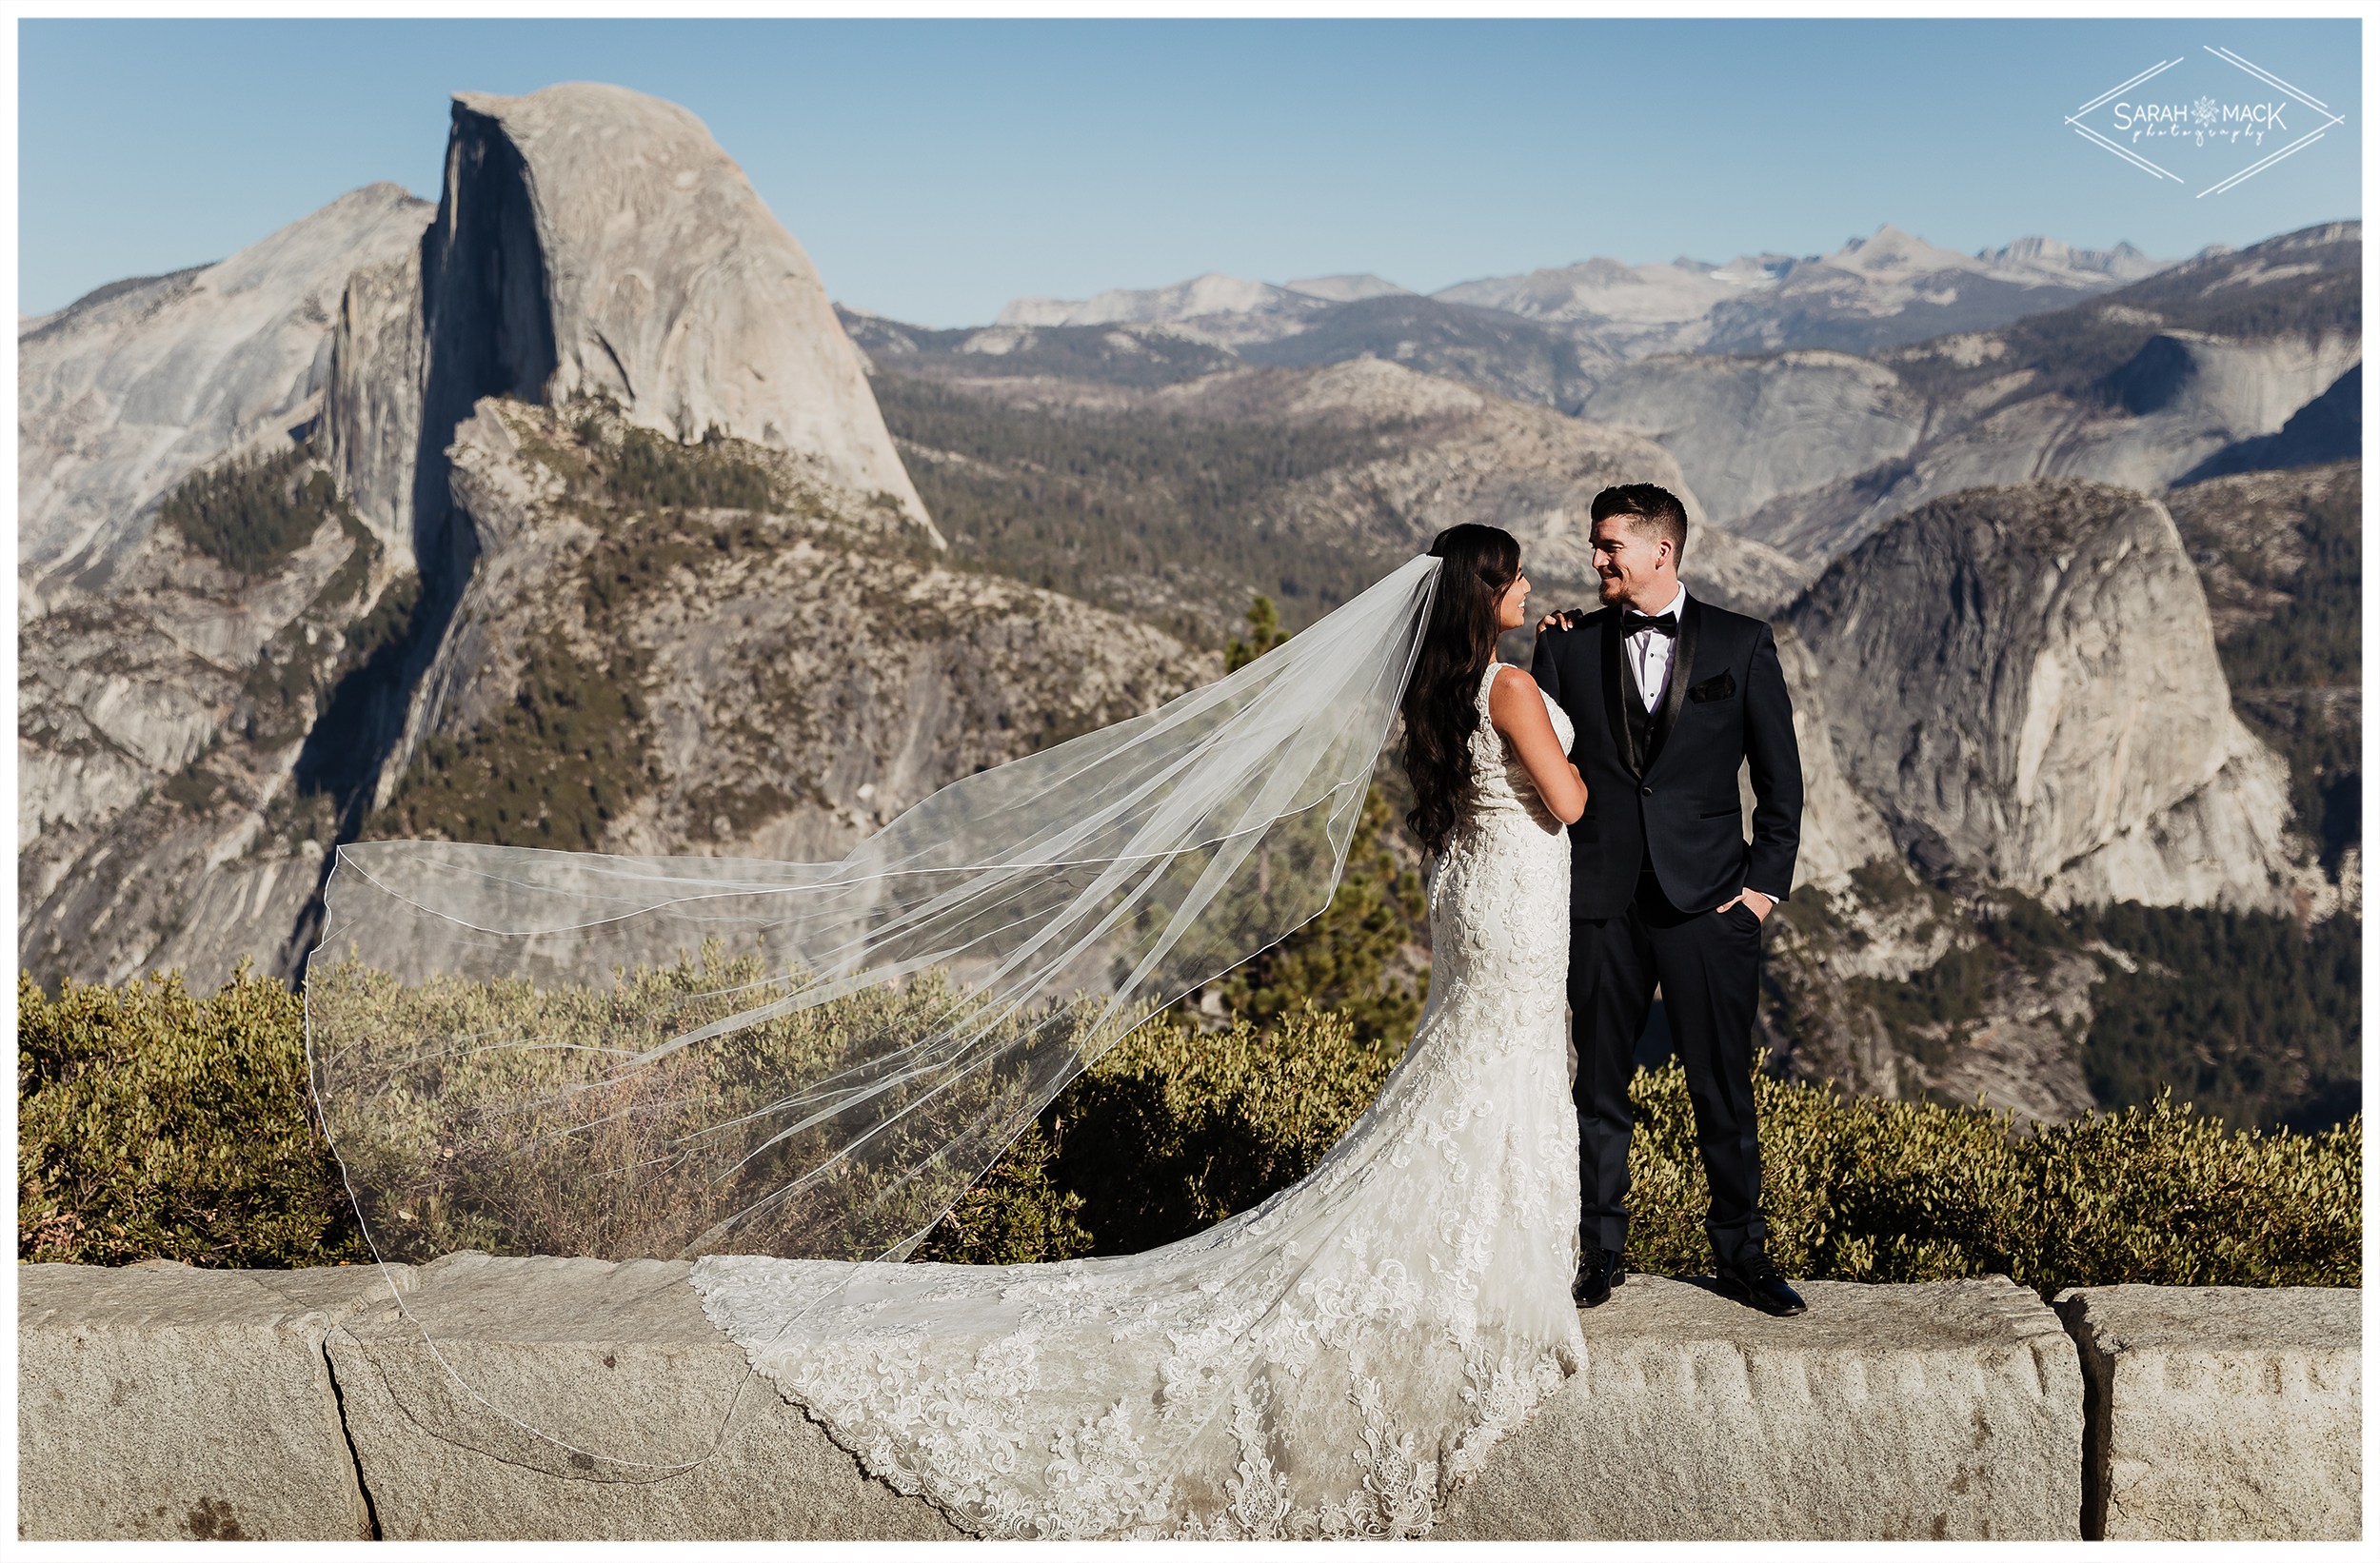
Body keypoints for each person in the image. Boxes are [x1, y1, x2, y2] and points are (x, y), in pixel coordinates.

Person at [684, 524, 1594, 1537]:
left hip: (1473, 899)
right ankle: (1495, 1262)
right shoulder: (1508, 690)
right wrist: (1565, 708)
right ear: (1485, 593)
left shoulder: (1437, 690)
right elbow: (1567, 798)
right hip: (1518, 900)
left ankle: (1463, 1250)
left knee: (1465, 1065)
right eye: (1511, 576)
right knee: (1501, 1063)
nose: (1527, 586)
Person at [1530, 484, 1807, 1317]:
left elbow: (1781, 786)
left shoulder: (1741, 642)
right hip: (1603, 903)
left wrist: (1759, 894)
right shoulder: (1566, 646)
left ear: (1663, 550)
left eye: (1610, 545)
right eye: (1596, 545)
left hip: (1710, 908)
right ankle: (1599, 1250)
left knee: (1721, 1088)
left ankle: (1742, 1256)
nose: (1596, 559)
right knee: (1599, 1085)